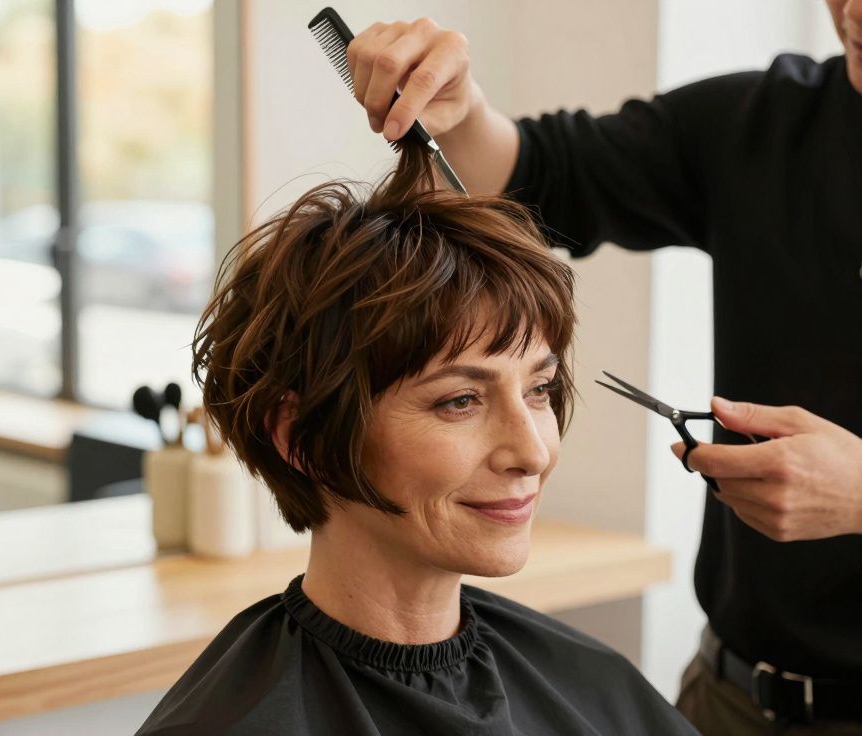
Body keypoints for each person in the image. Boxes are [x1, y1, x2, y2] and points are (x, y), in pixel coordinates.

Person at [343, 2, 862, 731]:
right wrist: (460, 114)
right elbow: (538, 177)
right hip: (728, 701)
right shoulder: (763, 124)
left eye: (541, 388)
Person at [136, 145, 697, 735]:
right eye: (461, 400)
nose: (532, 452)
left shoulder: (591, 682)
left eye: (539, 389)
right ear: (300, 436)